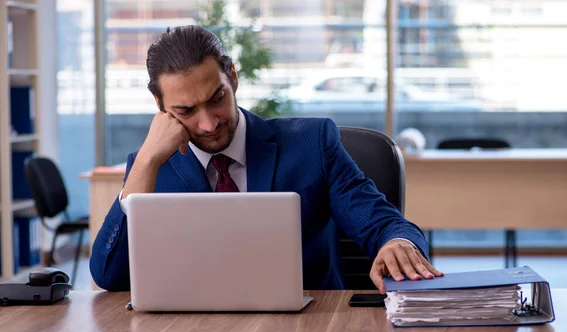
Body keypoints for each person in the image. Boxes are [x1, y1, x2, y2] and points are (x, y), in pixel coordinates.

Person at [89, 25, 443, 294]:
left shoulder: (312, 143)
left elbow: (383, 223)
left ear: (234, 78)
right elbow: (109, 276)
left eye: (216, 99)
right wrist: (147, 162)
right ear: (161, 108)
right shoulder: (149, 168)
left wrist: (399, 243)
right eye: (185, 110)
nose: (208, 123)